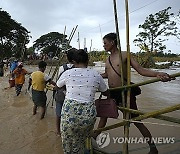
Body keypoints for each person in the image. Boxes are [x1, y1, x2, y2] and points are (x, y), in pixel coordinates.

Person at [96, 32, 173, 154]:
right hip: (112, 93)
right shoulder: (108, 59)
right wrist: (93, 77)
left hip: (125, 92)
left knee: (136, 121)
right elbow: (106, 74)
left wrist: (158, 74)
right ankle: (93, 139)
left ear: (112, 42)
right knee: (103, 117)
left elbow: (141, 70)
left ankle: (153, 148)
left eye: (105, 43)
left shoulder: (125, 55)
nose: (103, 46)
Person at [56, 49, 108, 153]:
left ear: (74, 62)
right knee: (81, 141)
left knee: (68, 142)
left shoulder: (68, 73)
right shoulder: (96, 74)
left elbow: (58, 86)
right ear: (87, 61)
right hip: (88, 114)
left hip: (69, 114)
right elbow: (106, 92)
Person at [54, 48, 76, 136]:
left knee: (58, 113)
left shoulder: (62, 68)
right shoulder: (78, 67)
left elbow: (58, 82)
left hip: (61, 93)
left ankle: (58, 131)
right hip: (72, 94)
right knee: (72, 114)